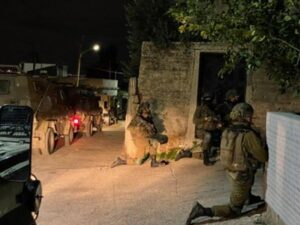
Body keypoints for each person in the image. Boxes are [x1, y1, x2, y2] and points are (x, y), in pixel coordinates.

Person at [185, 102, 268, 225]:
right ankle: (202, 211)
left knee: (250, 171)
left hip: (231, 172)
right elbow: (263, 157)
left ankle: (248, 198)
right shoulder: (248, 134)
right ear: (243, 116)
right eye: (249, 115)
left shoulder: (228, 131)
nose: (251, 118)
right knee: (234, 209)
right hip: (241, 176)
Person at [111, 102, 168, 168]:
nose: (147, 112)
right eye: (145, 111)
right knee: (139, 161)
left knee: (154, 142)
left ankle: (154, 162)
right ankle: (121, 161)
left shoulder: (146, 118)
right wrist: (150, 131)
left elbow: (152, 130)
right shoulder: (139, 118)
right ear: (142, 111)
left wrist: (153, 133)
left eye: (147, 111)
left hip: (144, 137)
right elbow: (140, 131)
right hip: (139, 138)